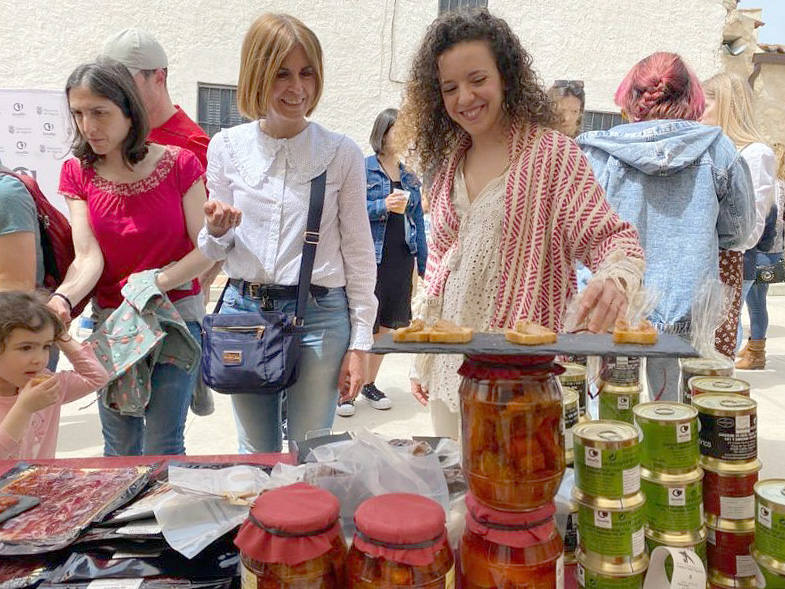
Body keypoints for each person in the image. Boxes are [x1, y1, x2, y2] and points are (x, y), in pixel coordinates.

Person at [393, 9, 645, 439]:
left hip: (519, 380)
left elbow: (611, 237)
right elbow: (442, 265)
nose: (465, 97)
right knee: (455, 492)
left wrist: (615, 279)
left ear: (505, 76)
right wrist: (425, 356)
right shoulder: (452, 158)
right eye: (449, 87)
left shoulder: (553, 156)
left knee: (515, 498)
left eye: (477, 79)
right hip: (451, 370)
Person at [198, 13, 377, 453]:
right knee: (256, 453)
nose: (297, 87)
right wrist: (217, 230)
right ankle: (261, 524)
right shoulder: (226, 147)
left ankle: (307, 522)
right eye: (282, 73)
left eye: (306, 72)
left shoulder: (340, 152)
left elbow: (358, 251)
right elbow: (212, 248)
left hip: (319, 314)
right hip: (245, 313)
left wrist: (361, 342)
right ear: (256, 74)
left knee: (310, 451)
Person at [48, 59, 213, 456]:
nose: (88, 126)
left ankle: (164, 517)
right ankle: (117, 518)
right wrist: (63, 299)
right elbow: (88, 256)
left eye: (100, 113)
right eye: (78, 114)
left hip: (175, 316)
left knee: (163, 441)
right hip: (115, 321)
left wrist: (155, 282)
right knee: (120, 443)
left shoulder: (180, 164)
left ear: (129, 111)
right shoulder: (77, 172)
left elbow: (206, 248)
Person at [577, 53, 754, 400]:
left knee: (610, 424)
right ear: (691, 97)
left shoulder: (597, 151)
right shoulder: (717, 148)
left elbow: (578, 236)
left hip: (613, 308)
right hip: (688, 313)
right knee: (676, 428)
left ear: (632, 95)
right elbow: (740, 231)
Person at [102, 28, 222, 301]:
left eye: (124, 82)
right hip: (110, 301)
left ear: (159, 77)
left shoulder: (193, 147)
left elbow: (216, 239)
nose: (115, 92)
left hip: (167, 304)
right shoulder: (110, 137)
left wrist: (193, 291)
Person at [336, 108, 427, 418]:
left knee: (387, 325)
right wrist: (381, 205)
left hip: (401, 257)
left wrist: (424, 264)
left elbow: (419, 222)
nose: (402, 135)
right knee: (362, 322)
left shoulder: (410, 176)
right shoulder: (362, 169)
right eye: (396, 129)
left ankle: (371, 383)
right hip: (369, 256)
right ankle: (347, 390)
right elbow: (348, 209)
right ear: (382, 132)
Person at [701, 72, 777, 368]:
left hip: (728, 262)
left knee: (716, 357)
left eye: (705, 104)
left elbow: (750, 230)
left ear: (725, 105)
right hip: (703, 261)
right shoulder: (709, 147)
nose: (697, 111)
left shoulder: (755, 153)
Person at [0, 291, 108, 459]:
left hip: (40, 483)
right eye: (26, 348)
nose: (39, 360)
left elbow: (96, 377)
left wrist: (60, 334)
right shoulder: (40, 392)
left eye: (46, 346)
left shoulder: (46, 384)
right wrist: (24, 408)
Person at [735, 143, 785, 369]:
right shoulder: (778, 186)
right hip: (769, 253)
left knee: (752, 305)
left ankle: (756, 353)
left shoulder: (771, 187)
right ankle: (754, 345)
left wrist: (759, 245)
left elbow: (769, 222)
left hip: (760, 254)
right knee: (755, 303)